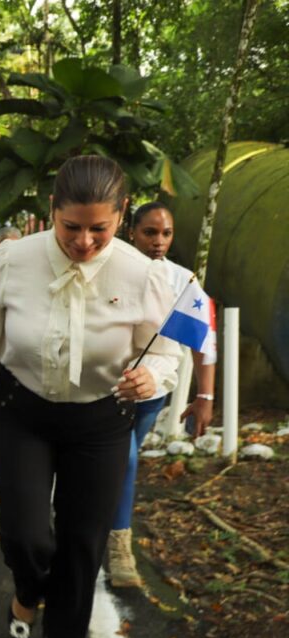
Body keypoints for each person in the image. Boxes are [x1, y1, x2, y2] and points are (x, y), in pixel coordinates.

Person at [0, 155, 180, 638]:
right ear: (51, 211)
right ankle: (28, 590)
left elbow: (164, 351)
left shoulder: (141, 274)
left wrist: (154, 377)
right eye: (71, 227)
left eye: (98, 229)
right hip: (22, 410)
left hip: (100, 419)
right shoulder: (13, 260)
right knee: (26, 534)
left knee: (83, 538)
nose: (83, 242)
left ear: (120, 216)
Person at [108, 201, 217, 587]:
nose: (158, 241)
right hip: (109, 390)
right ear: (131, 232)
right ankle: (118, 545)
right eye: (150, 232)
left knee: (120, 459)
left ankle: (103, 525)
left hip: (154, 394)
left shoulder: (183, 280)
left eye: (166, 233)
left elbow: (204, 340)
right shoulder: (108, 267)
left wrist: (205, 397)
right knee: (126, 458)